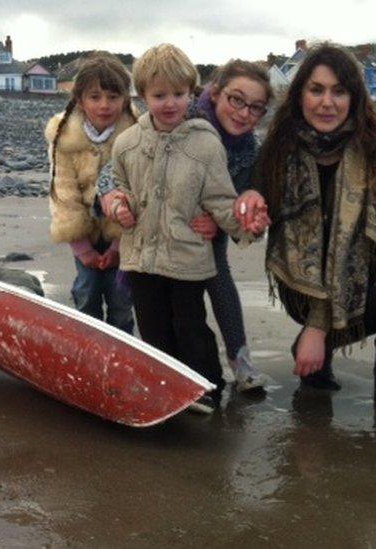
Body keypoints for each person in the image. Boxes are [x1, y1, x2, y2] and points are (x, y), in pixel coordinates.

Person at [235, 44, 376, 410]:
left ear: (354, 98)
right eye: (316, 90)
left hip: (352, 269)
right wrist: (250, 206)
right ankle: (318, 346)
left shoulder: (372, 150)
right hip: (300, 283)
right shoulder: (278, 150)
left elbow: (354, 247)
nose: (327, 102)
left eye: (339, 91)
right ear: (300, 96)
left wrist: (318, 330)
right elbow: (250, 219)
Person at [106, 44, 269, 413]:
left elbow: (223, 198)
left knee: (190, 326)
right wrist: (117, 204)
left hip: (187, 255)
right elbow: (118, 184)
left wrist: (247, 224)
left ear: (192, 93)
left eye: (178, 94)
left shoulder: (206, 143)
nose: (169, 103)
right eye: (159, 95)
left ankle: (207, 386)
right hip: (142, 257)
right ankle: (165, 387)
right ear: (143, 94)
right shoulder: (128, 142)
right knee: (153, 328)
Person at [44, 53, 137, 333]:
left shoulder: (136, 135)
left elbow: (138, 191)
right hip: (83, 235)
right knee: (86, 291)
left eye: (113, 96)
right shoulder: (63, 136)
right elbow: (63, 193)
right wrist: (81, 247)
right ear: (81, 100)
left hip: (125, 235)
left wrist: (119, 246)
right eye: (95, 97)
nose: (105, 105)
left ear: (125, 99)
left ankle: (123, 349)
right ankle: (88, 344)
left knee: (122, 297)